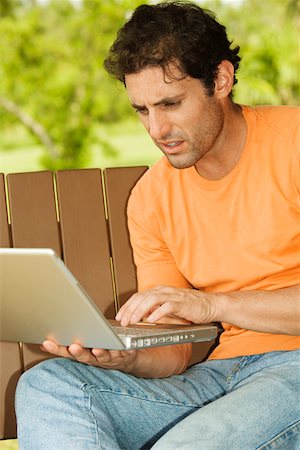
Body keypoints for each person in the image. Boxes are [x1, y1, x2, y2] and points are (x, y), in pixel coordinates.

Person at [15, 2, 300, 449]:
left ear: (220, 81)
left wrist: (211, 305)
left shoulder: (293, 144)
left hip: (294, 372)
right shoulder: (152, 197)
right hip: (219, 378)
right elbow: (172, 350)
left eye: (171, 103)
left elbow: (204, 310)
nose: (157, 128)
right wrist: (123, 357)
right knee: (50, 385)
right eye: (142, 110)